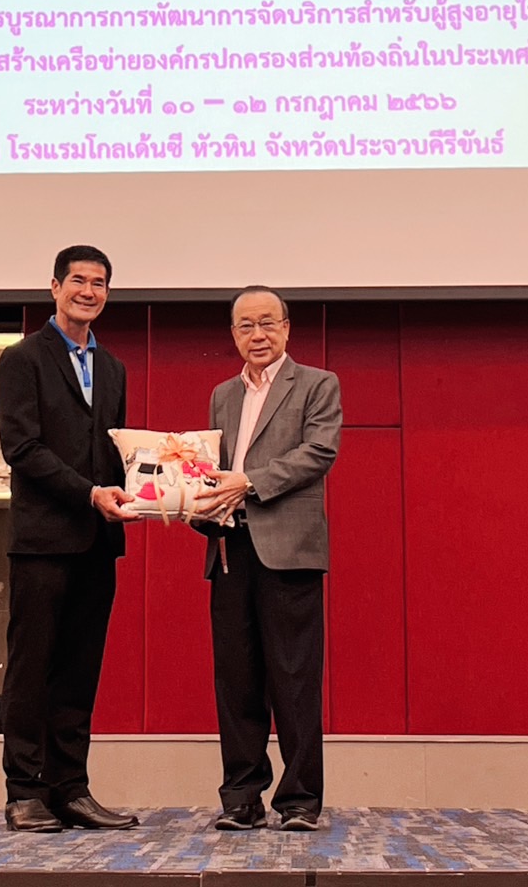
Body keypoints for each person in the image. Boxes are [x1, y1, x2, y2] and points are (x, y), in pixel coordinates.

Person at [0, 245, 140, 833]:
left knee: (80, 670)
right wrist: (89, 493)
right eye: (77, 280)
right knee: (32, 669)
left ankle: (70, 789)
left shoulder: (114, 368)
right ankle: (24, 792)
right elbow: (22, 448)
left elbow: (116, 450)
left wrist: (152, 490)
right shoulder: (21, 358)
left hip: (98, 542)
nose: (88, 291)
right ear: (54, 287)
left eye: (99, 282)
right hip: (42, 542)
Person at [193, 287, 342, 832]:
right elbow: (212, 468)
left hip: (289, 551)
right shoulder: (222, 394)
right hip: (229, 549)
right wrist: (189, 498)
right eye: (245, 326)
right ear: (233, 335)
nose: (257, 335)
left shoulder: (318, 384)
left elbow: (319, 452)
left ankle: (300, 800)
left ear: (286, 328)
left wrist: (248, 482)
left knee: (294, 679)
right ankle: (241, 798)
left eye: (267, 323)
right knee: (236, 681)